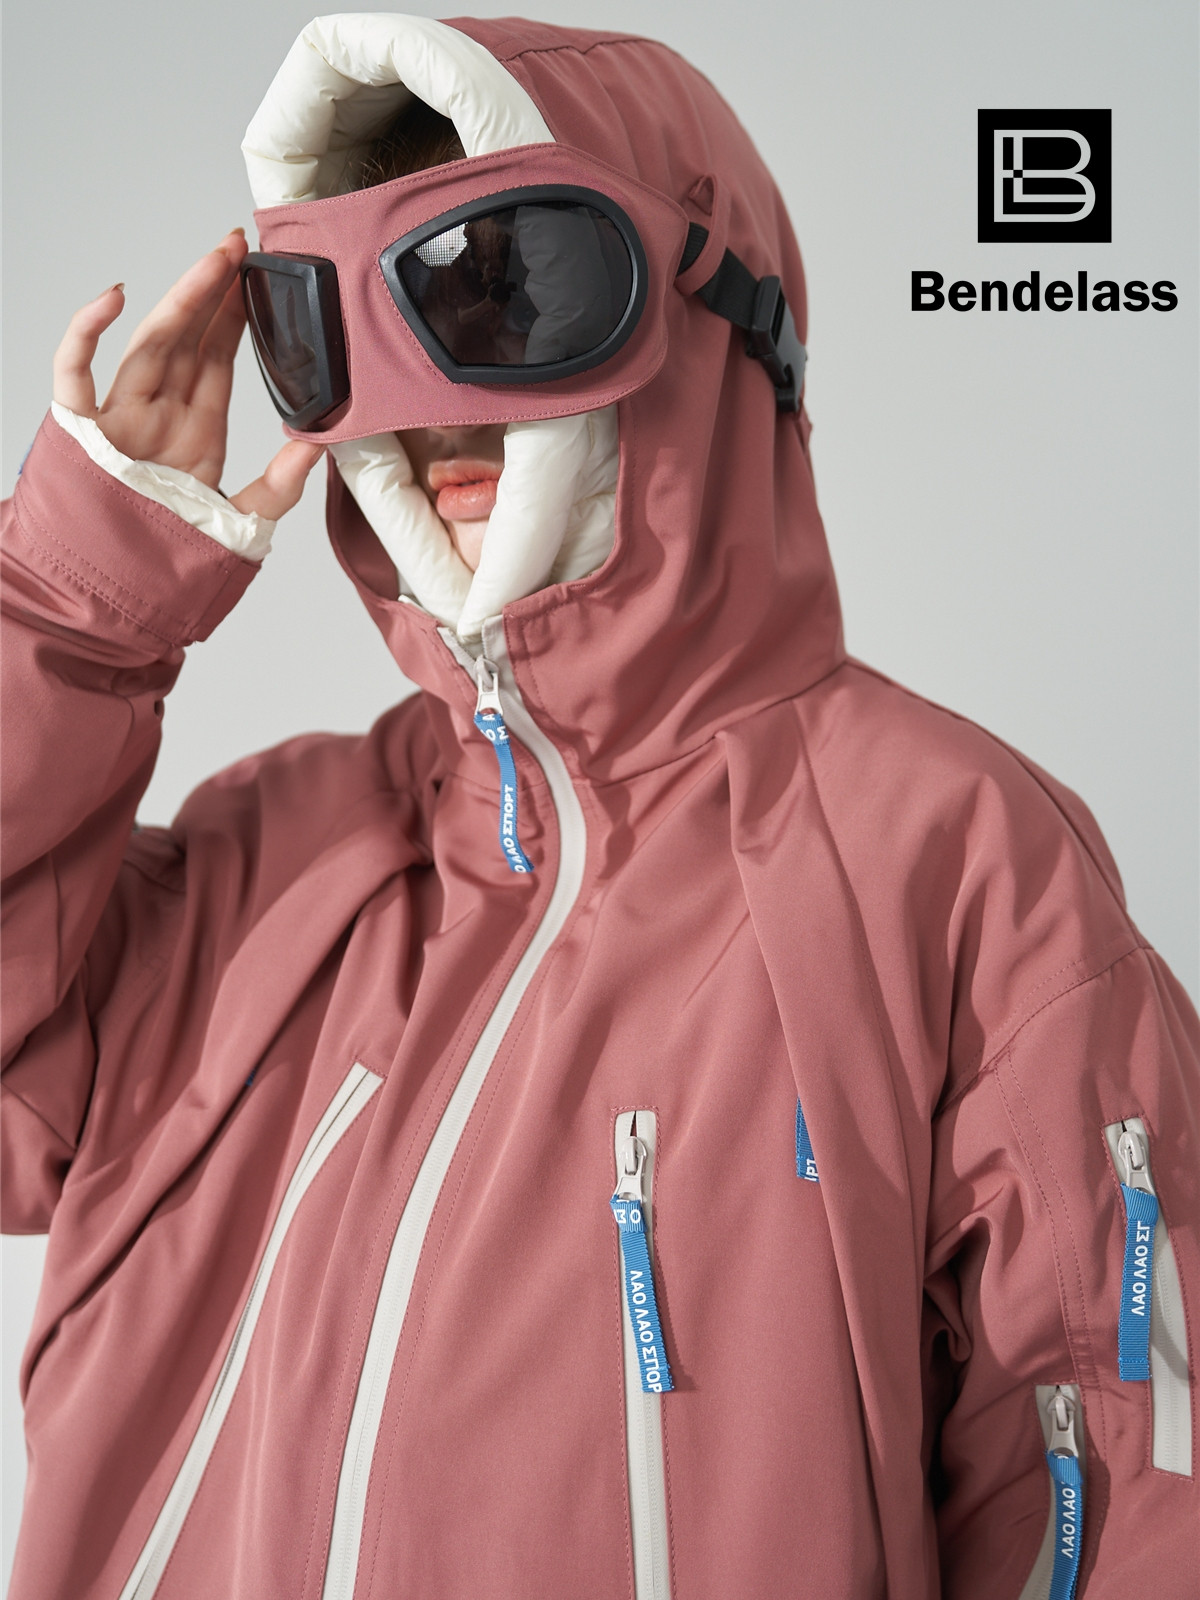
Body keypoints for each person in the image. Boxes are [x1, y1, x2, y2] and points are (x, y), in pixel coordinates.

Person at [2, 13, 1196, 1599]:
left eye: (503, 288)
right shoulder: (274, 853)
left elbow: (1114, 1498)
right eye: (337, 325)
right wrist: (73, 607)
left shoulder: (952, 860)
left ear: (707, 315)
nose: (433, 410)